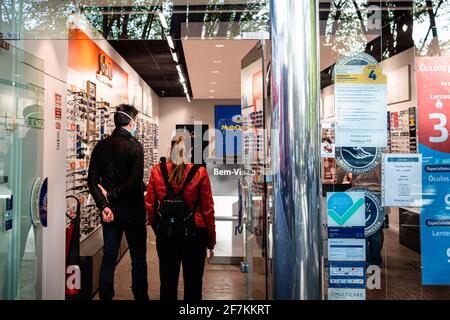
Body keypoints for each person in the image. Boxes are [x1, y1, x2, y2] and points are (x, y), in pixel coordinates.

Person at [88, 104, 149, 300]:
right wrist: (112, 196)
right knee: (138, 258)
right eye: (136, 122)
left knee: (109, 257)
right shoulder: (135, 146)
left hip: (110, 212)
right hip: (133, 210)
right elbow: (134, 182)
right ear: (131, 122)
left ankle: (106, 296)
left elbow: (92, 181)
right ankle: (140, 297)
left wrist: (104, 204)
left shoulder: (100, 146)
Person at [145, 140, 216, 301]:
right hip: (194, 233)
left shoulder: (158, 170)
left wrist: (158, 227)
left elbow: (150, 204)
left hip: (167, 233)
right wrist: (211, 238)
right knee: (194, 283)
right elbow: (208, 209)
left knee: (168, 282)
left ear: (170, 151)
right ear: (189, 153)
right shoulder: (200, 172)